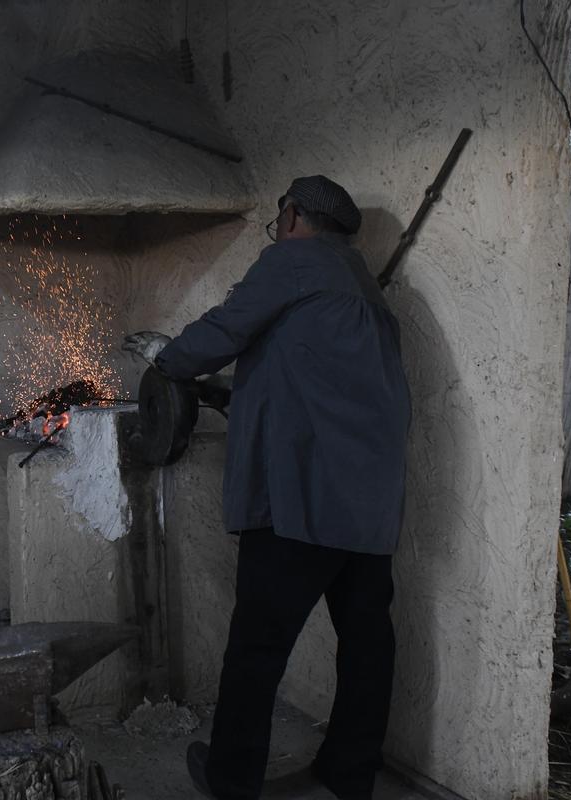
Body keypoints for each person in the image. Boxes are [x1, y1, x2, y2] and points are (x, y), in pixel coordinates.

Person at [123, 176, 411, 800]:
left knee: (257, 643)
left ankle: (231, 777)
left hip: (302, 498)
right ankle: (350, 771)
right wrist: (234, 395)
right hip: (367, 504)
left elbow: (224, 330)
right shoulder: (361, 285)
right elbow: (316, 382)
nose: (278, 227)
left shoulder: (293, 261)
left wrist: (166, 363)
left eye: (280, 215)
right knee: (366, 641)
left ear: (294, 215)